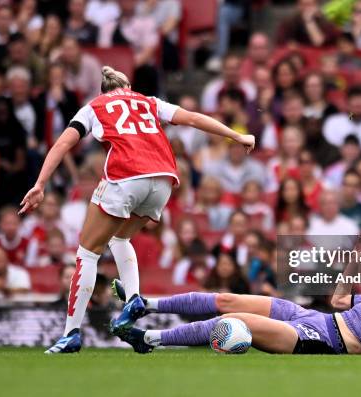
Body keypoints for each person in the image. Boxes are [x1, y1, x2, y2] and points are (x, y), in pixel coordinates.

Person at [19, 66, 255, 354]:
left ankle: (71, 333)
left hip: (126, 176)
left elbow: (64, 143)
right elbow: (193, 118)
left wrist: (40, 184)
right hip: (164, 180)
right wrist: (236, 136)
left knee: (87, 252)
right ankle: (133, 298)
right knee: (120, 238)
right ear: (128, 86)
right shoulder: (148, 101)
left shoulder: (93, 106)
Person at [112, 237, 361, 356]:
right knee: (229, 301)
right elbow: (340, 302)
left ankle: (147, 339)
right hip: (315, 318)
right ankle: (144, 304)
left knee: (234, 323)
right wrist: (355, 262)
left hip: (323, 339)